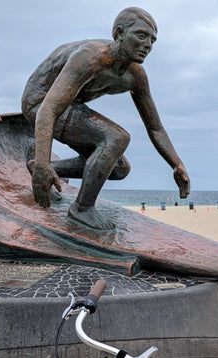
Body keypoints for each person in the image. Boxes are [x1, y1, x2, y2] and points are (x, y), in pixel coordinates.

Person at [21, 7, 190, 229]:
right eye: (141, 36)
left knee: (119, 169)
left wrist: (176, 164)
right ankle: (82, 208)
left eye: (152, 40)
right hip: (39, 103)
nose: (148, 45)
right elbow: (48, 108)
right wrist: (44, 163)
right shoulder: (91, 57)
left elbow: (155, 128)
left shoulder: (135, 75)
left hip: (67, 106)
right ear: (119, 33)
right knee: (117, 138)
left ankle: (44, 168)